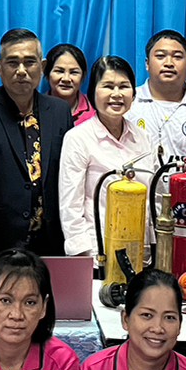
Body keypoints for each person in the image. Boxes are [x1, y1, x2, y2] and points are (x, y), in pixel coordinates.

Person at [0, 29, 76, 277]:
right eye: (13, 62)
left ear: (42, 66)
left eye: (29, 62)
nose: (21, 70)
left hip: (52, 242)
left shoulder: (59, 111)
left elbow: (69, 180)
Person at [60, 55, 154, 258]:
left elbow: (152, 199)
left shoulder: (144, 138)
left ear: (133, 93)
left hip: (141, 251)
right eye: (108, 86)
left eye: (124, 86)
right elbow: (70, 206)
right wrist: (84, 255)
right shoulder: (78, 138)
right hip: (97, 252)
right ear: (93, 92)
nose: (117, 94)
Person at [127, 29, 186, 161]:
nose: (169, 63)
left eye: (177, 57)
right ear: (147, 64)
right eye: (160, 56)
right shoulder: (129, 102)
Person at [45, 42, 96, 125]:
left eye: (74, 72)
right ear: (47, 74)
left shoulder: (95, 109)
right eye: (59, 71)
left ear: (83, 76)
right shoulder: (34, 108)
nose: (66, 79)